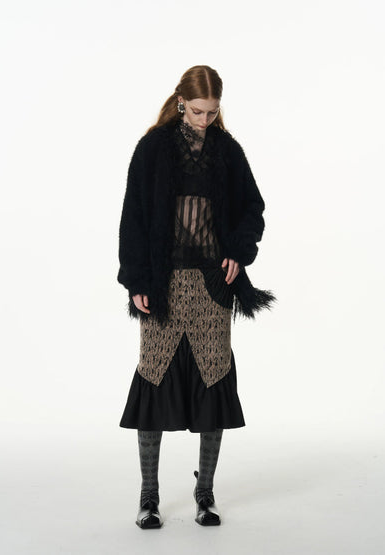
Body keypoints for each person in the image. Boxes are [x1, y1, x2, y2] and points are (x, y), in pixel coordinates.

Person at [117, 65, 276, 529]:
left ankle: (205, 492)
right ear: (182, 101)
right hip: (162, 286)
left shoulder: (228, 151)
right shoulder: (152, 148)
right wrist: (137, 280)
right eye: (198, 111)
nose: (205, 120)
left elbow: (253, 208)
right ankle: (149, 496)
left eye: (212, 112)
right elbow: (133, 217)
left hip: (212, 286)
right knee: (153, 379)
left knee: (213, 381)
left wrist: (238, 252)